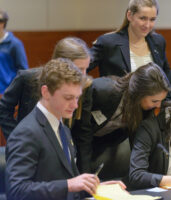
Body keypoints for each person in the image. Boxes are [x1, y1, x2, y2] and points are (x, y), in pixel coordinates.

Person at [5, 58, 125, 200]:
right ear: (46, 92)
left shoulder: (63, 128)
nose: (75, 105)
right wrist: (69, 184)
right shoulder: (26, 133)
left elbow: (70, 183)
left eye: (77, 98)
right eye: (68, 98)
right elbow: (16, 191)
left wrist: (98, 188)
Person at [74, 62, 171, 174]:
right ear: (139, 94)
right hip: (76, 142)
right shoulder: (103, 91)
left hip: (98, 147)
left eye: (161, 101)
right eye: (154, 101)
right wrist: (85, 175)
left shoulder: (145, 110)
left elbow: (138, 145)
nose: (158, 105)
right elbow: (82, 132)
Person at [0, 37, 92, 139]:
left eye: (86, 69)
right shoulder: (27, 78)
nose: (83, 75)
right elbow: (4, 109)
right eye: (79, 69)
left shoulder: (84, 87)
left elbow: (82, 131)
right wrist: (16, 137)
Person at [88, 0, 170, 77]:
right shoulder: (107, 42)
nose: (147, 25)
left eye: (152, 19)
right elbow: (80, 67)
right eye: (143, 18)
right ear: (129, 15)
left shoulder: (158, 41)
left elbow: (166, 77)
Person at [0, 9, 28, 94]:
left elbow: (23, 71)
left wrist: (13, 90)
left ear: (3, 23)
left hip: (7, 93)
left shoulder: (15, 44)